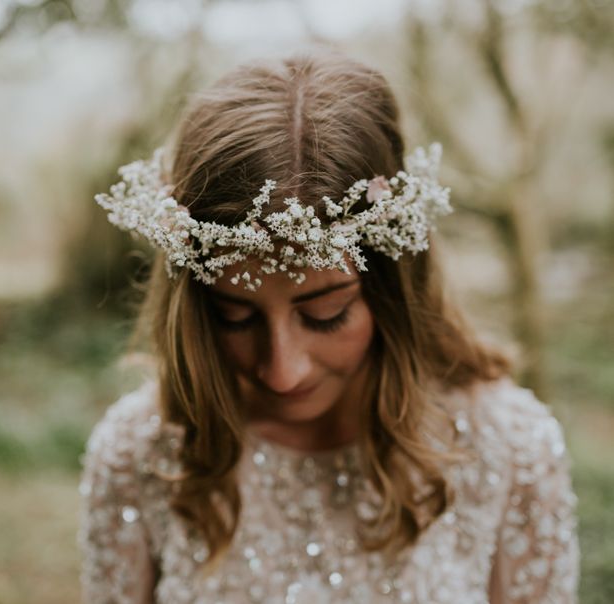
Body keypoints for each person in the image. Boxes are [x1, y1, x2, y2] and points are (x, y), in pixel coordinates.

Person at [79, 51, 580, 603]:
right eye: (235, 317)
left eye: (325, 314)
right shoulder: (137, 454)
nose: (282, 370)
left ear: (394, 288)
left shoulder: (510, 446)